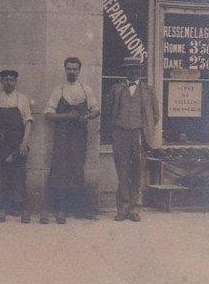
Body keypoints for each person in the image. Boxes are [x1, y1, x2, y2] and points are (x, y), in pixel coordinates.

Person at [43, 57, 101, 224]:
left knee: (77, 169)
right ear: (65, 69)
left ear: (79, 70)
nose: (72, 72)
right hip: (62, 137)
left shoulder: (86, 89)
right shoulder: (58, 90)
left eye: (75, 69)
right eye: (69, 69)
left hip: (79, 137)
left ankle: (77, 209)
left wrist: (88, 116)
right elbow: (47, 114)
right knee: (60, 170)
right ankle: (60, 209)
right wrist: (66, 116)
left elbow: (96, 110)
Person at [108, 56, 159, 222]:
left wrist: (145, 129)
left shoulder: (148, 90)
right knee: (122, 171)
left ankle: (135, 209)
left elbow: (155, 115)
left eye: (136, 69)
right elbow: (110, 112)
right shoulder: (116, 89)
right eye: (130, 69)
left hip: (138, 134)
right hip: (120, 133)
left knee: (137, 172)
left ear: (141, 71)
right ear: (125, 71)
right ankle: (122, 209)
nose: (134, 72)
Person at [0, 69, 33, 223]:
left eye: (11, 80)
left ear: (16, 82)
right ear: (1, 82)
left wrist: (24, 143)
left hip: (16, 144)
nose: (9, 82)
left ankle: (15, 207)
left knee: (17, 175)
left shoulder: (22, 99)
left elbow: (28, 122)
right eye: (6, 80)